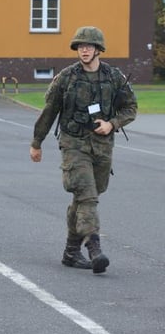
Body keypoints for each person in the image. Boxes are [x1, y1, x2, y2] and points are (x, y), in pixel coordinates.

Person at [30, 26, 137, 274]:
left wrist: (112, 124)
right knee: (88, 196)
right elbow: (49, 111)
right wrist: (37, 143)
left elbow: (130, 108)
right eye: (80, 46)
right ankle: (94, 248)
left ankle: (70, 251)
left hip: (101, 147)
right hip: (73, 144)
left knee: (84, 198)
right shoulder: (66, 78)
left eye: (89, 46)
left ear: (99, 49)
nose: (84, 50)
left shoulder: (113, 77)